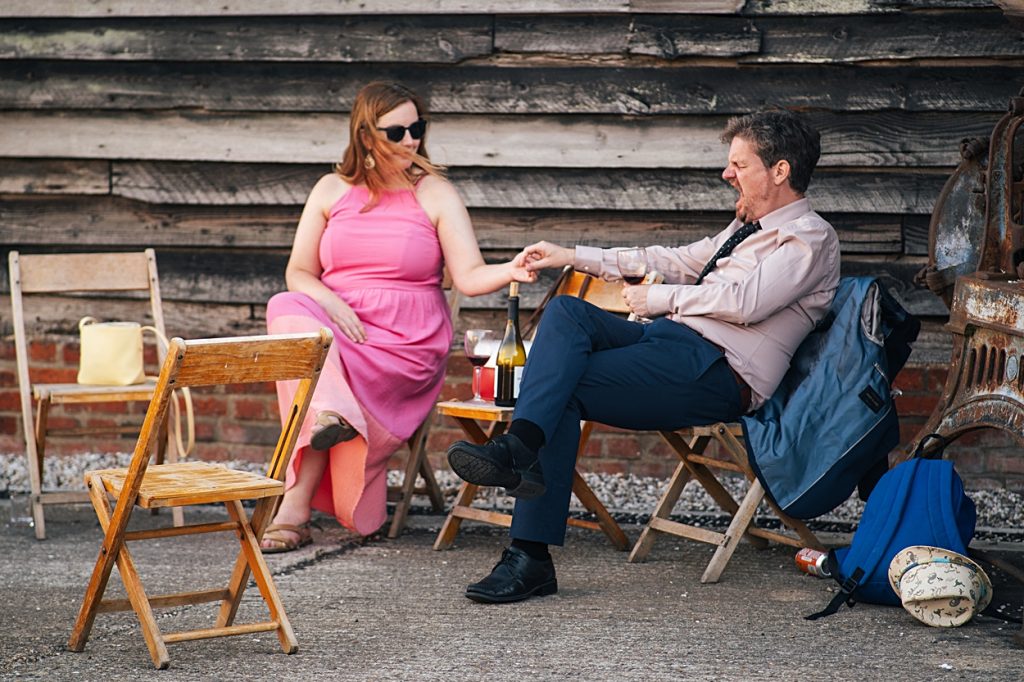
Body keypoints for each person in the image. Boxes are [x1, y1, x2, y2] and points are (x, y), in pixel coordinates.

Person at [446, 110, 841, 602]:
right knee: (569, 312)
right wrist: (571, 255)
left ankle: (528, 546)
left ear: (779, 171)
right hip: (670, 345)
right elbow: (670, 260)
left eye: (738, 163)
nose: (727, 173)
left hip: (718, 371)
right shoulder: (743, 230)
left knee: (557, 389)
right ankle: (520, 451)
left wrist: (661, 300)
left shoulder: (808, 237)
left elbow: (747, 303)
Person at [261, 81, 535, 552]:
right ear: (366, 136)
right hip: (339, 329)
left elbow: (466, 276)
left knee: (314, 372)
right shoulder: (331, 189)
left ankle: (295, 504)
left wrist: (510, 269)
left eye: (417, 128)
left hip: (404, 342)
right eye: (397, 131)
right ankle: (328, 428)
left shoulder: (435, 193)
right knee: (285, 308)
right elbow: (298, 273)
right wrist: (333, 303)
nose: (411, 140)